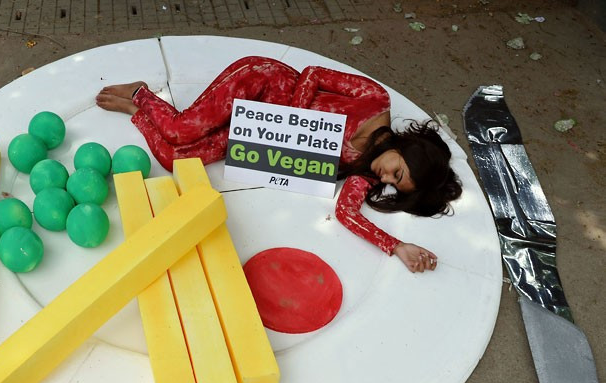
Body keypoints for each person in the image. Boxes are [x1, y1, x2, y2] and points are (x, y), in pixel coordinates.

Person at [95, 56, 462, 273]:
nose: (386, 178)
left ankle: (138, 110)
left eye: (394, 185)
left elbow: (347, 213)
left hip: (257, 134)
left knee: (175, 157)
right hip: (264, 83)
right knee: (181, 129)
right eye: (398, 172)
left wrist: (396, 246)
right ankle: (141, 93)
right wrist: (296, 124)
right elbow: (314, 73)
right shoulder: (375, 100)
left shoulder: (364, 171)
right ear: (407, 149)